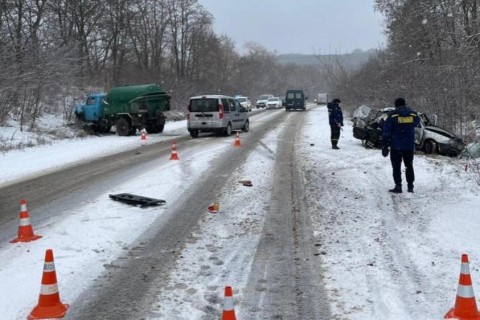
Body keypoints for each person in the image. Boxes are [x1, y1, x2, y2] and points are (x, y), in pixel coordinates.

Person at [381, 97, 420, 193]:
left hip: (396, 146)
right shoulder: (413, 115)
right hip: (409, 146)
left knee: (396, 167)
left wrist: (384, 146)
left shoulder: (393, 116)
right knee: (409, 166)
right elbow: (417, 122)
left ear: (396, 105)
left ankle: (398, 186)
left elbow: (386, 132)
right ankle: (410, 186)